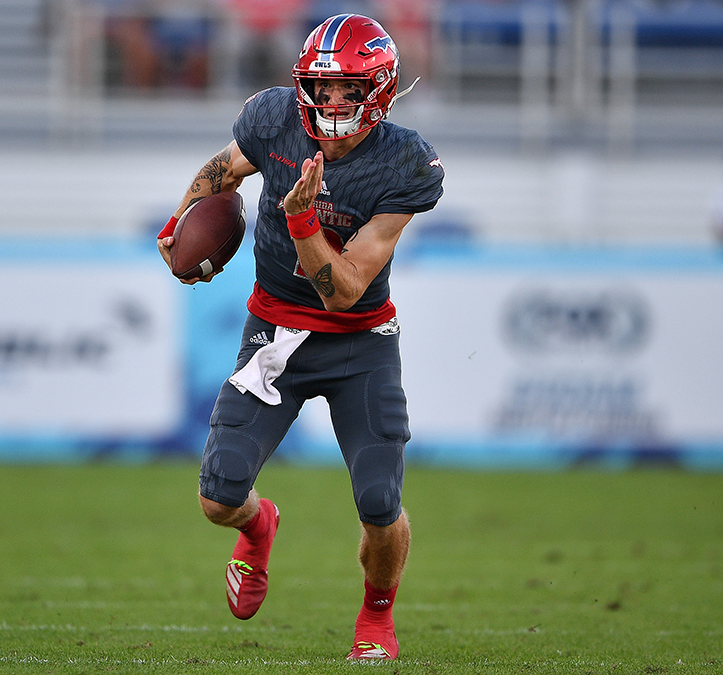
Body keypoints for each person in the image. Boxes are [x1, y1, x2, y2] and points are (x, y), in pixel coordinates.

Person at [155, 13, 443, 661]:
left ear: (382, 91)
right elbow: (223, 169)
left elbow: (342, 289)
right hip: (274, 334)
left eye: (350, 89)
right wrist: (181, 222)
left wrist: (303, 218)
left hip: (358, 341)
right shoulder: (273, 119)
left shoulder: (405, 162)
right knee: (217, 496)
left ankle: (376, 617)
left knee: (378, 500)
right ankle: (260, 528)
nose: (334, 102)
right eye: (324, 86)